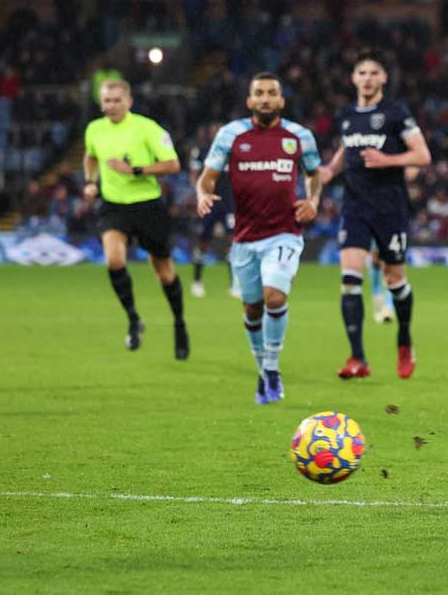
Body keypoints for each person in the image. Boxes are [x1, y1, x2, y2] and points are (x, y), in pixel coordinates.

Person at [195, 73, 322, 404]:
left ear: (281, 100)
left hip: (285, 233)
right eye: (259, 93)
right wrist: (202, 195)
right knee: (252, 308)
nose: (265, 98)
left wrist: (313, 202)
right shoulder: (231, 135)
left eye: (272, 93)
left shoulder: (299, 136)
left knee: (274, 298)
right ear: (249, 101)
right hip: (245, 239)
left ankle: (273, 368)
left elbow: (314, 175)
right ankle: (263, 371)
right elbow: (207, 178)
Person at [319, 50, 432, 380]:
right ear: (354, 79)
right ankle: (357, 358)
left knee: (395, 281)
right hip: (354, 206)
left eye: (373, 73)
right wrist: (330, 170)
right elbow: (347, 147)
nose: (367, 78)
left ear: (383, 78)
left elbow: (422, 155)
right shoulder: (347, 115)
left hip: (390, 207)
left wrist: (387, 160)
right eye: (362, 73)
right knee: (350, 279)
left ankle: (404, 340)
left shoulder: (396, 113)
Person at [82, 79, 189, 360]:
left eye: (117, 100)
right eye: (107, 101)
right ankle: (133, 318)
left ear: (129, 101)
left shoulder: (147, 128)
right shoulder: (94, 129)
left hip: (147, 205)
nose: (112, 106)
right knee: (114, 260)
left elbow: (174, 164)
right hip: (114, 206)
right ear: (101, 103)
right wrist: (90, 182)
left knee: (164, 273)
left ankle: (179, 323)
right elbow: (90, 156)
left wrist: (136, 170)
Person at [188, 122, 237, 298]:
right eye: (213, 131)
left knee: (233, 242)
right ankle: (197, 281)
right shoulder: (201, 151)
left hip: (228, 202)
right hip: (208, 202)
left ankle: (234, 284)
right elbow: (194, 175)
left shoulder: (233, 153)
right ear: (208, 134)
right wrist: (199, 195)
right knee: (203, 241)